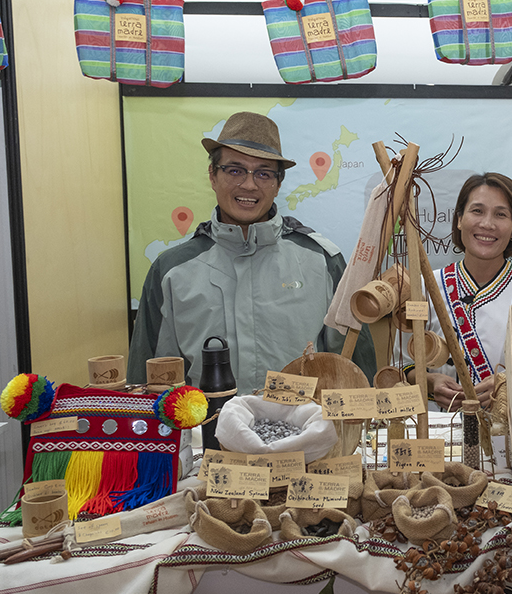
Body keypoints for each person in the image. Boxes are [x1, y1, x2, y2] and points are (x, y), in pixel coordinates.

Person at [128, 111, 375, 400]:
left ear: (278, 183)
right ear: (212, 176)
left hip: (305, 436)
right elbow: (147, 381)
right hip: (209, 437)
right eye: (234, 170)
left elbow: (357, 369)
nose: (248, 185)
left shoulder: (322, 260)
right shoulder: (170, 270)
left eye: (263, 173)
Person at [401, 172, 512, 410]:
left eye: (501, 214)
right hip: (438, 435)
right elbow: (400, 366)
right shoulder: (425, 287)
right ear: (459, 220)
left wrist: (508, 384)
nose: (487, 224)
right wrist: (429, 382)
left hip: (506, 437)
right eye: (477, 211)